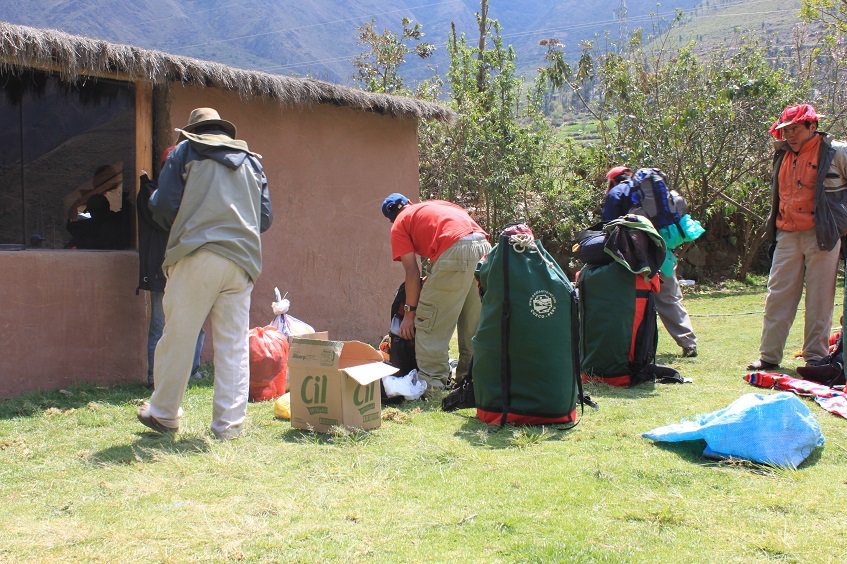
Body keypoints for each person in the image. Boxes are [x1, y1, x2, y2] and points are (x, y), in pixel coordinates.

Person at [137, 107, 273, 440]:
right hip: (242, 261)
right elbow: (264, 219)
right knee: (233, 345)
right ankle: (229, 426)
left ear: (194, 131)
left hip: (196, 254)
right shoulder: (253, 162)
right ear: (224, 132)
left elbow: (164, 204)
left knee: (179, 336)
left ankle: (164, 413)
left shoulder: (185, 151)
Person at [748, 103, 847, 371]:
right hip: (787, 234)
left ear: (812, 126)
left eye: (794, 129)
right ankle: (768, 357)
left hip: (823, 234)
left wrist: (842, 221)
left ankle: (815, 358)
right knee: (777, 295)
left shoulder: (837, 152)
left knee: (820, 298)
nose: (789, 135)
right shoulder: (782, 155)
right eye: (786, 130)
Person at [382, 194, 490, 390]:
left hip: (456, 249)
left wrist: (409, 314)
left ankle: (432, 385)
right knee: (473, 324)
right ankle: (472, 381)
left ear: (391, 217)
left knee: (428, 321)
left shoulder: (400, 223)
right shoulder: (434, 206)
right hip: (483, 248)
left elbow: (412, 272)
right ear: (409, 204)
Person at [603, 166, 699, 358]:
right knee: (669, 298)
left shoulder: (616, 193)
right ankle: (688, 342)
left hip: (632, 257)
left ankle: (629, 348)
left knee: (628, 301)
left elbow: (608, 226)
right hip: (662, 252)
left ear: (612, 180)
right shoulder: (650, 193)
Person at [137, 146, 205, 390]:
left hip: (187, 263)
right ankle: (156, 376)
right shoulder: (150, 193)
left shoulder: (184, 194)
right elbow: (165, 219)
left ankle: (192, 371)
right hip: (161, 266)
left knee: (196, 320)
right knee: (160, 323)